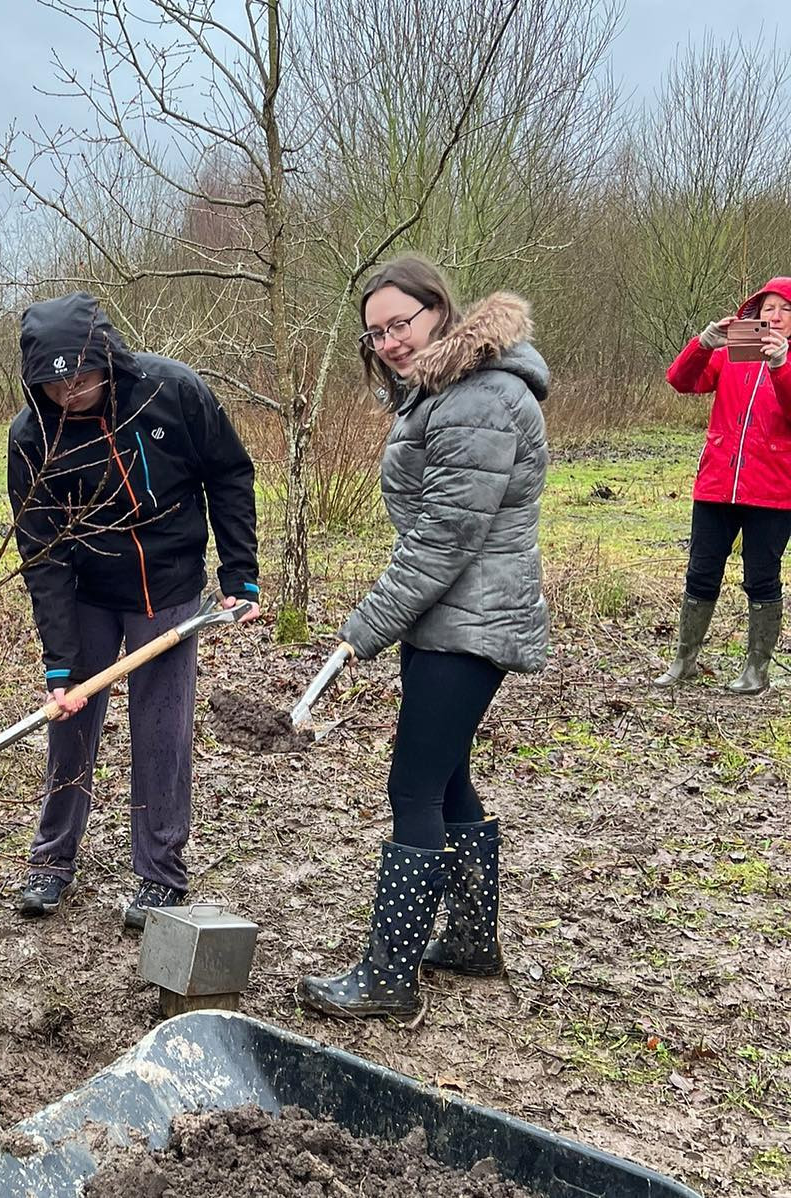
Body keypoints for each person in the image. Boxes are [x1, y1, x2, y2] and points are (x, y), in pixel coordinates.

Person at [296, 256, 549, 1018]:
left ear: (439, 311)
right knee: (443, 778)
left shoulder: (481, 399)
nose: (389, 342)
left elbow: (442, 541)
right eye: (375, 334)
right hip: (452, 617)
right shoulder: (444, 394)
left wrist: (361, 631)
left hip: (468, 625)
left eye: (399, 323)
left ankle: (389, 977)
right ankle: (472, 942)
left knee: (412, 785)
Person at [8, 292, 260, 930]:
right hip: (87, 591)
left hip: (168, 585)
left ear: (109, 357)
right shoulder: (32, 438)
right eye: (55, 381)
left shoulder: (172, 393)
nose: (72, 389)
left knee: (161, 727)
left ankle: (159, 876)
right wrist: (61, 664)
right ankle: (52, 862)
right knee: (70, 719)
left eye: (84, 373)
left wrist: (240, 574)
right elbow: (43, 555)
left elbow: (229, 474)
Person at [655, 279, 791, 695]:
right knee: (701, 572)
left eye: (786, 310)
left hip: (772, 491)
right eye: (769, 307)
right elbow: (680, 380)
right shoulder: (734, 350)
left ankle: (757, 670)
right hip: (716, 484)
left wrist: (781, 367)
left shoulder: (788, 360)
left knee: (762, 578)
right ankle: (684, 661)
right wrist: (704, 343)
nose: (775, 316)